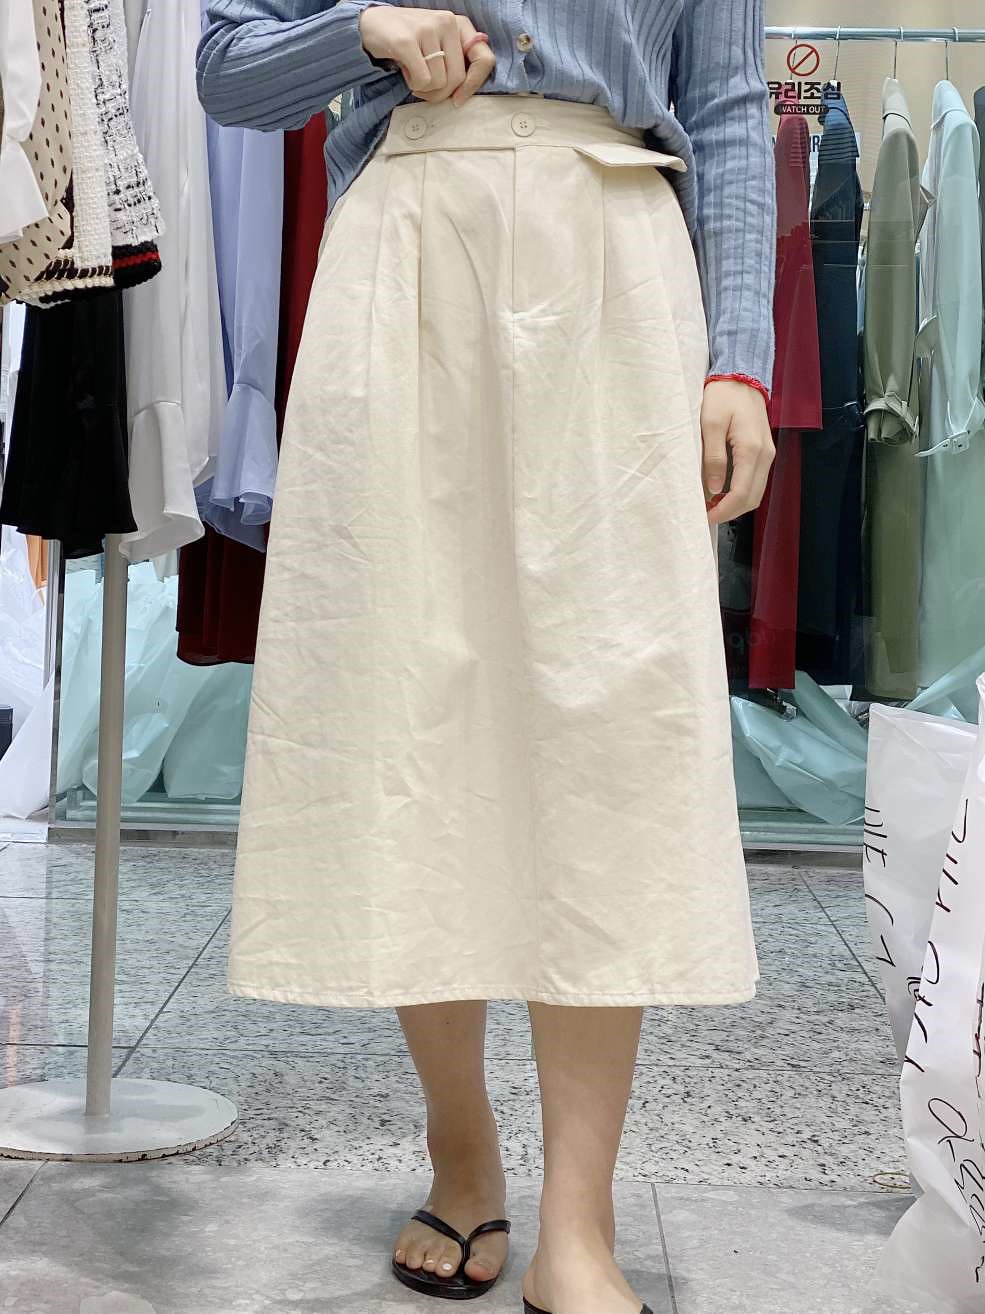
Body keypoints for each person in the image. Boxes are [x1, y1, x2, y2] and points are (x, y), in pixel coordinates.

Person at [196, 5, 777, 1312]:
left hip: (615, 244)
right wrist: (367, 32)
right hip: (406, 247)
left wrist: (740, 357)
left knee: (612, 727)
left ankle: (580, 1223)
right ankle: (460, 1142)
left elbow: (731, 103)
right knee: (410, 710)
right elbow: (228, 72)